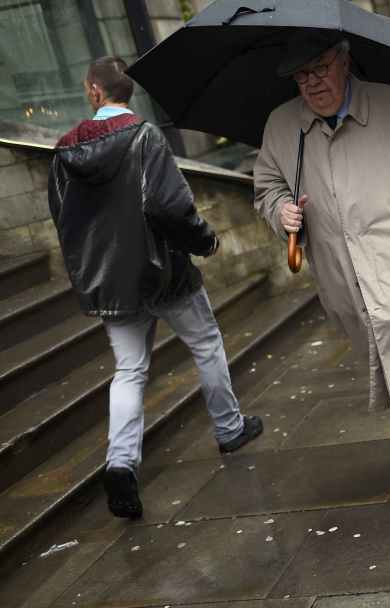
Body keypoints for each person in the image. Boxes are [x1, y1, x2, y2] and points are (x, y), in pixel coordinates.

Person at [253, 34, 390, 503]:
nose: (310, 83)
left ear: (343, 59)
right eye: (300, 76)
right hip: (342, 276)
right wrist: (281, 212)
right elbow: (266, 187)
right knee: (384, 361)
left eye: (318, 68)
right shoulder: (282, 127)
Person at [48, 57, 262, 520]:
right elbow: (170, 205)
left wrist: (89, 276)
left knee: (129, 370)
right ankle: (229, 429)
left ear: (93, 91)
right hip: (164, 272)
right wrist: (204, 240)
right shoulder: (144, 137)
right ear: (126, 92)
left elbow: (65, 222)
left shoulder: (65, 150)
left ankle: (121, 462)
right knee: (206, 345)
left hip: (111, 282)